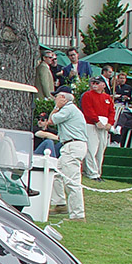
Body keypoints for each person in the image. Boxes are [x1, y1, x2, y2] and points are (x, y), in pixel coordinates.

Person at [46, 85, 88, 221]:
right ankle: (60, 203)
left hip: (72, 146)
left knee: (72, 181)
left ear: (63, 97)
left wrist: (57, 107)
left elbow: (51, 120)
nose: (55, 99)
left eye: (56, 96)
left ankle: (78, 214)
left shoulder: (68, 109)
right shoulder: (70, 109)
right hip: (70, 145)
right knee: (57, 174)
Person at [80, 75, 114, 180]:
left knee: (101, 149)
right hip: (91, 124)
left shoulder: (107, 97)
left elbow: (112, 111)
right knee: (91, 148)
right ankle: (91, 172)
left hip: (103, 125)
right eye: (93, 83)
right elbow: (88, 109)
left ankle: (98, 172)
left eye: (97, 83)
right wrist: (96, 120)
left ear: (103, 85)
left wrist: (110, 123)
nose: (94, 85)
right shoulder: (87, 95)